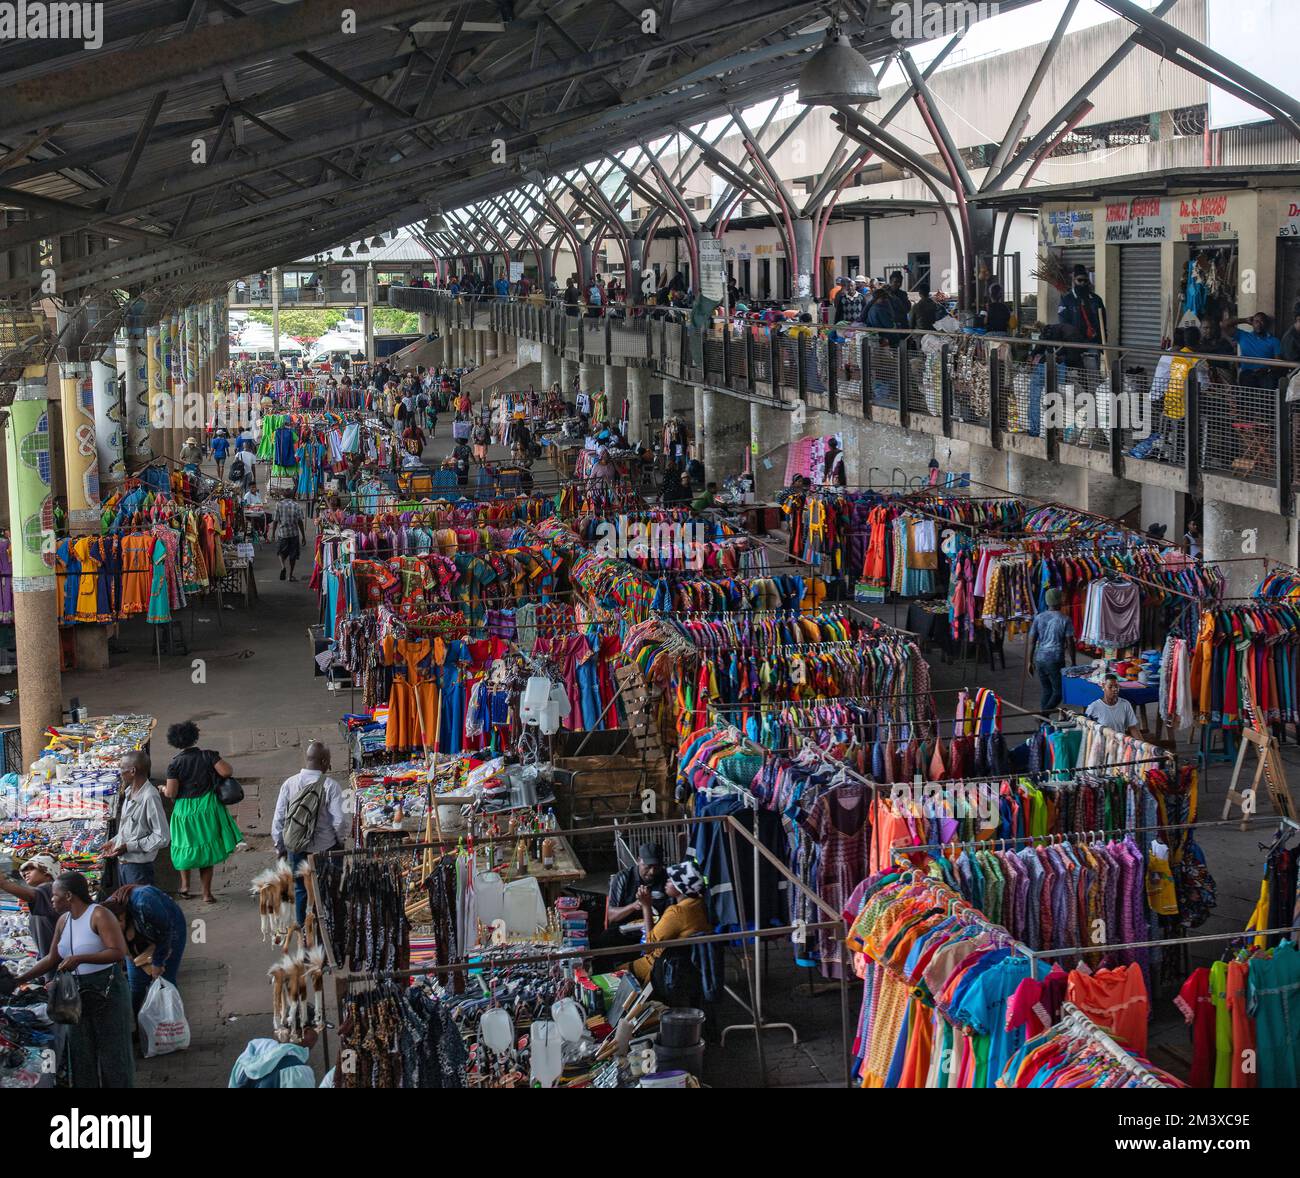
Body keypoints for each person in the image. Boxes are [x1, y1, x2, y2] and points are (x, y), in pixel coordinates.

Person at [10, 871, 133, 1088]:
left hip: (106, 989)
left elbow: (118, 951)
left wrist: (80, 958)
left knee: (113, 1051)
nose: (51, 900)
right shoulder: (63, 921)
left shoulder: (99, 915)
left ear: (68, 896)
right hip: (75, 993)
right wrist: (20, 978)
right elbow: (52, 957)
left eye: (54, 895)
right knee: (80, 1052)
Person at [163, 720, 243, 903]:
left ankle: (184, 886)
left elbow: (172, 792)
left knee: (184, 846)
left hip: (184, 811)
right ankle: (207, 894)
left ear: (175, 742)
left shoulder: (174, 765)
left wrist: (162, 789)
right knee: (206, 850)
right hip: (207, 807)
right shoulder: (208, 756)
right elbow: (227, 771)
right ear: (194, 737)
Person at [271, 741, 347, 927]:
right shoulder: (330, 786)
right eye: (328, 761)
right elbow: (339, 822)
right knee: (327, 887)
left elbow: (279, 819)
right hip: (325, 848)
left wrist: (279, 846)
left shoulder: (289, 783)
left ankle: (304, 929)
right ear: (323, 761)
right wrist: (340, 842)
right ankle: (327, 926)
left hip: (296, 847)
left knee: (300, 889)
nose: (329, 765)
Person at [102, 883, 187, 1015]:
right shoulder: (104, 914)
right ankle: (132, 1026)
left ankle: (171, 1025)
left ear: (122, 917)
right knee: (136, 984)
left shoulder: (144, 902)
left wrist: (158, 962)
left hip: (170, 928)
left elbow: (165, 932)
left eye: (117, 929)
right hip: (140, 934)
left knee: (165, 979)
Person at [627, 860, 710, 985]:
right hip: (688, 967)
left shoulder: (677, 912)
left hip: (660, 967)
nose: (667, 882)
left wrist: (646, 906)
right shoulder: (700, 904)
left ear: (680, 887)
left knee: (612, 970)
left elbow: (648, 947)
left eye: (671, 880)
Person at [104, 750, 169, 886]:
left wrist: (129, 847)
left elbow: (162, 837)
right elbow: (131, 829)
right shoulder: (129, 792)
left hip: (139, 870)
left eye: (122, 768)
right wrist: (115, 841)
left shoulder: (149, 797)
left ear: (132, 771)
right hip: (124, 864)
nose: (120, 772)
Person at [599, 843, 668, 949]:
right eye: (648, 866)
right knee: (605, 939)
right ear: (639, 860)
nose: (652, 872)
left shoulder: (666, 878)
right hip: (627, 931)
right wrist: (634, 906)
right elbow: (611, 916)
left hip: (658, 929)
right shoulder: (623, 878)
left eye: (657, 867)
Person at [0, 854, 58, 973]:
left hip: (55, 964)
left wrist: (4, 884)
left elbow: (31, 896)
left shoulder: (49, 888)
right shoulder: (47, 891)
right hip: (51, 962)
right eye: (24, 870)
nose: (26, 872)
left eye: (31, 868)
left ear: (47, 871)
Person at [1026, 587, 1076, 714]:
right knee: (1059, 692)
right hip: (1055, 660)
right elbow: (1070, 642)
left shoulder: (1038, 618)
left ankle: (1044, 723)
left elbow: (1031, 641)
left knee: (1047, 690)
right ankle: (1043, 715)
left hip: (1040, 659)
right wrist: (1073, 662)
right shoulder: (1065, 619)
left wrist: (1029, 661)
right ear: (1060, 601)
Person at [1057, 264, 1106, 379]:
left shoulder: (1096, 299)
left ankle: (1093, 395)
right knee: (1075, 375)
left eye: (1085, 280)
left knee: (1093, 373)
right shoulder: (1066, 300)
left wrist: (1102, 340)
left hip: (1092, 341)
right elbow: (1063, 323)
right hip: (1074, 343)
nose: (1083, 283)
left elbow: (1103, 321)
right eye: (1080, 280)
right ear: (1074, 280)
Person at [1228, 310, 1282, 389]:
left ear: (1266, 323)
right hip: (1248, 373)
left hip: (1266, 374)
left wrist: (1267, 369)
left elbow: (1279, 364)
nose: (1259, 324)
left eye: (1262, 321)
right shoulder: (1243, 336)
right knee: (1247, 382)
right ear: (1252, 323)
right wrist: (1245, 320)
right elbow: (1224, 325)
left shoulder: (1274, 341)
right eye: (1256, 321)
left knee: (1270, 382)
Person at [273, 488, 306, 581]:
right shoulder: (296, 505)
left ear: (283, 496)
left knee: (280, 552)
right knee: (293, 556)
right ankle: (290, 575)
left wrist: (272, 534)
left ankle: (283, 566)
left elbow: (275, 521)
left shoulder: (278, 505)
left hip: (282, 534)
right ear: (292, 496)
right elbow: (300, 522)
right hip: (294, 534)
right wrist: (303, 536)